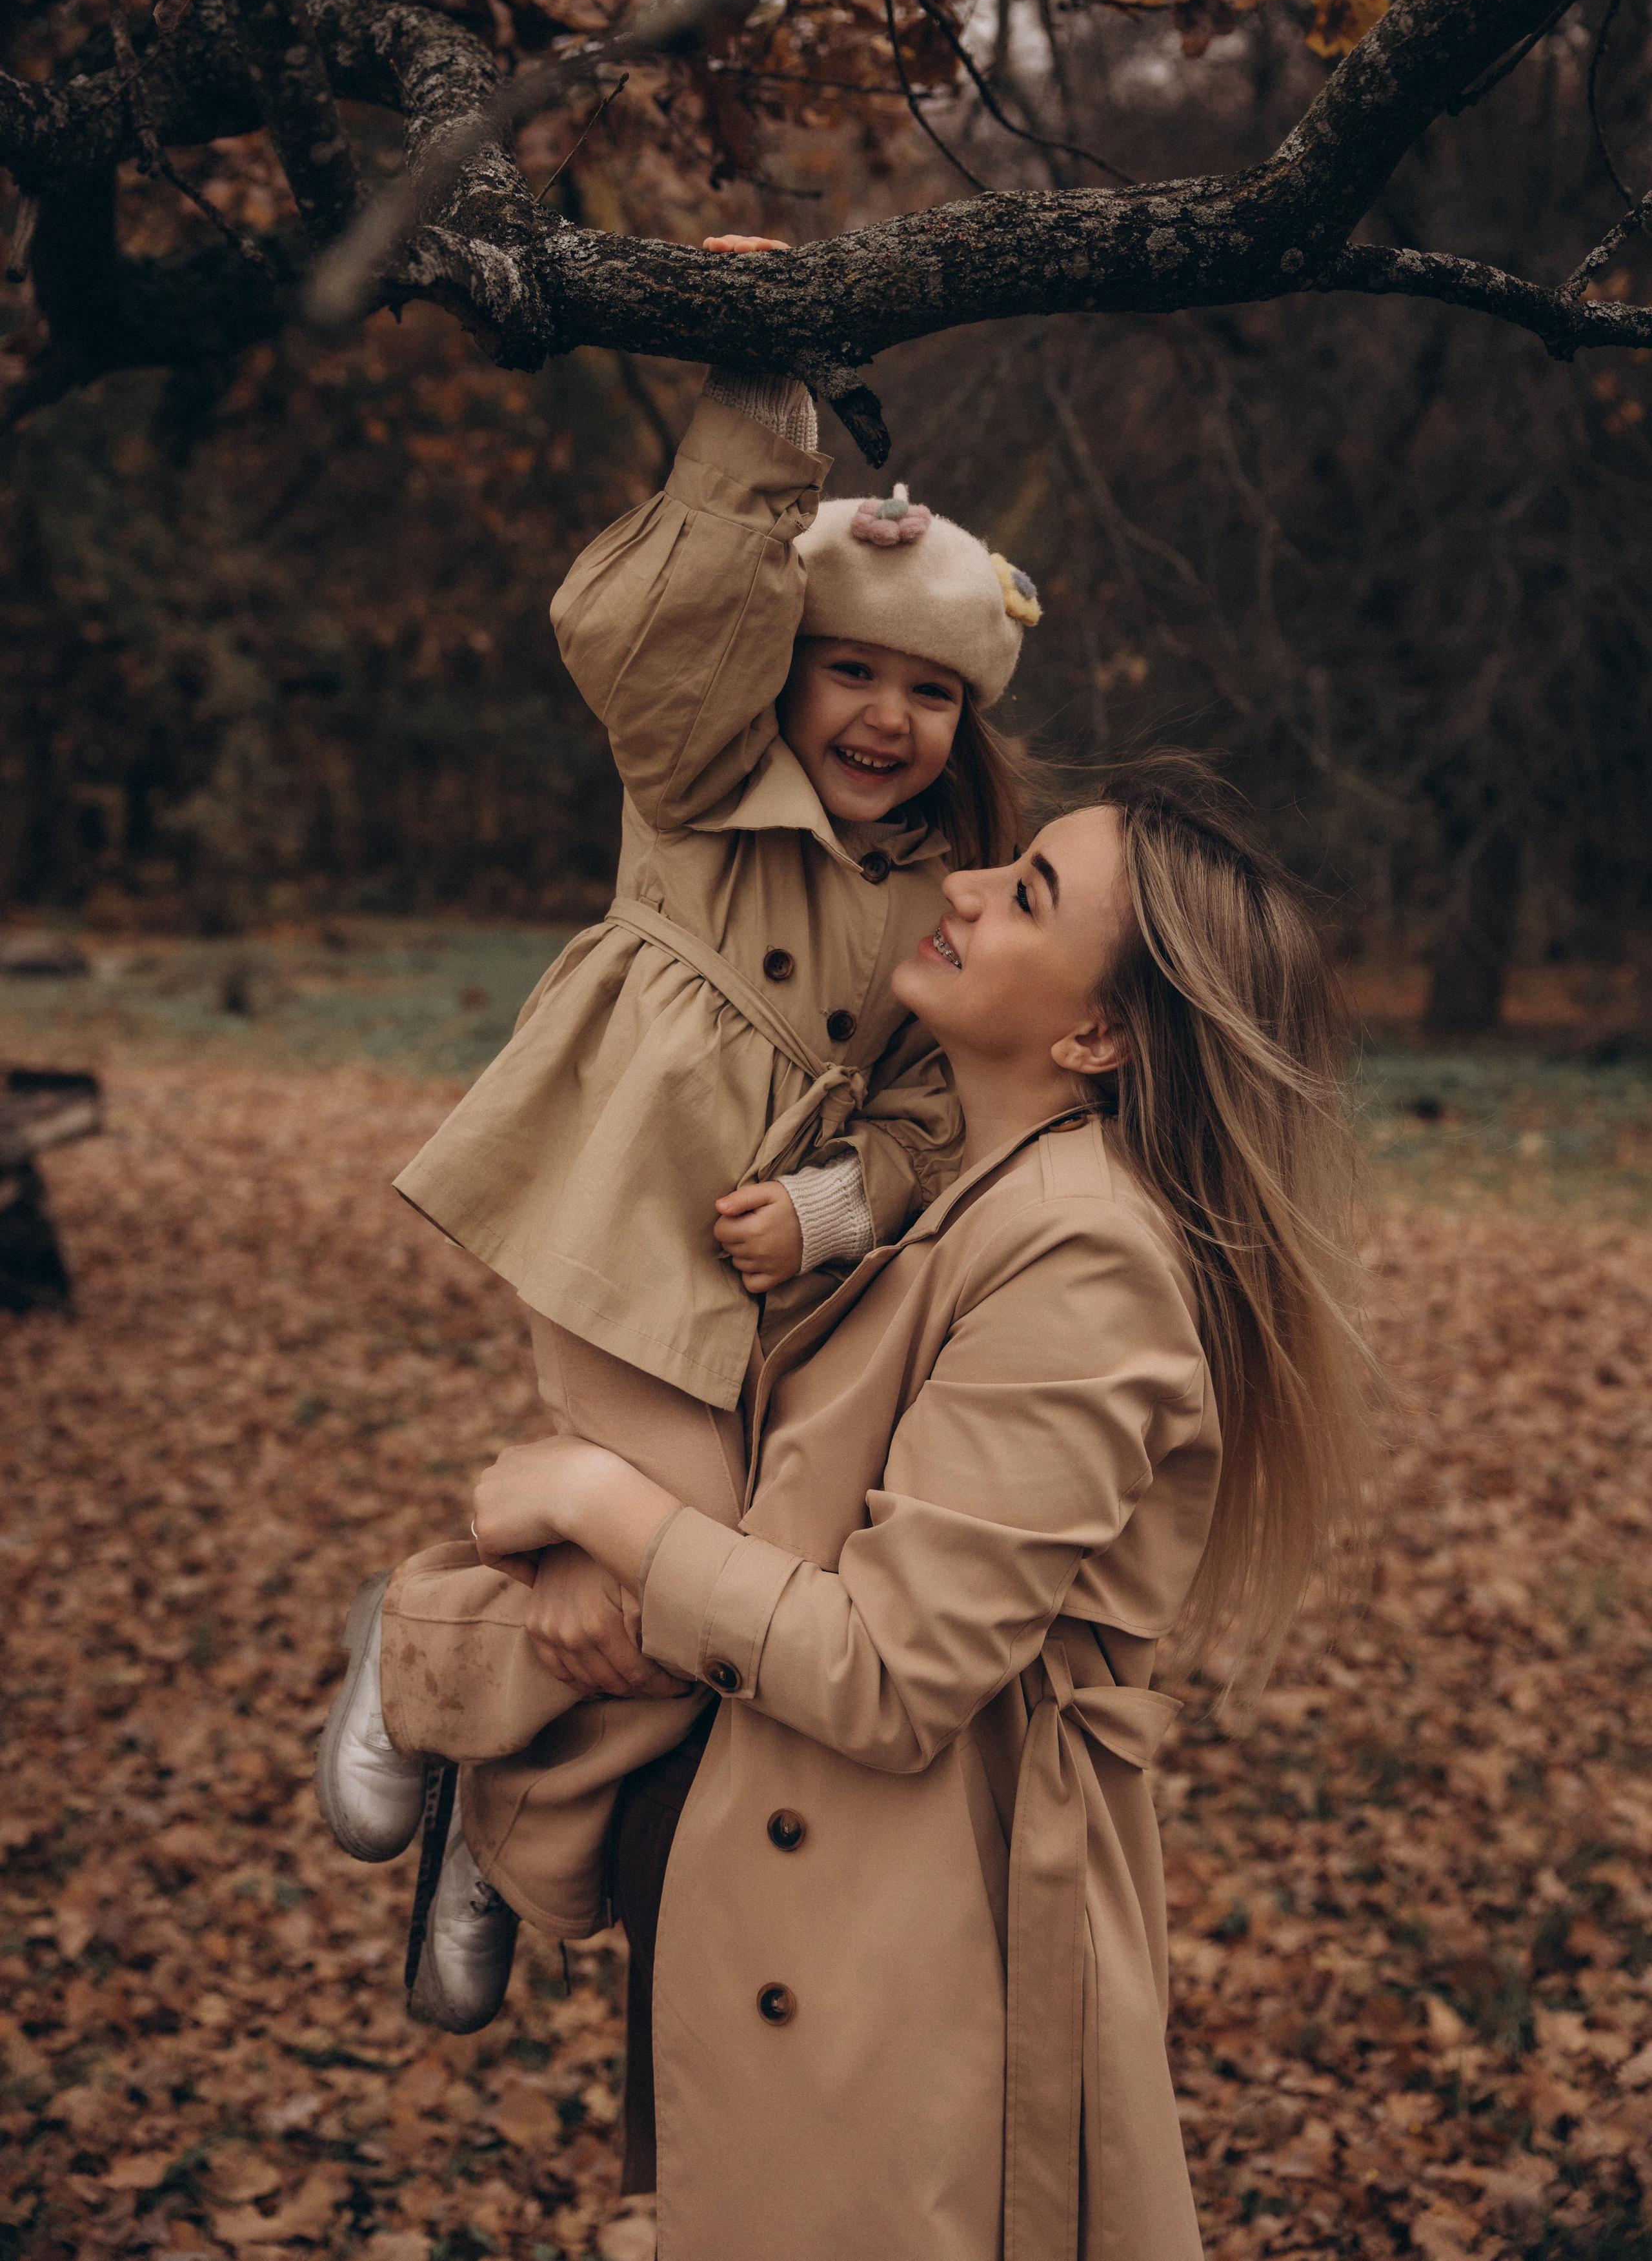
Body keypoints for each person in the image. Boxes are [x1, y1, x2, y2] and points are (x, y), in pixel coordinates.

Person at [470, 758, 1371, 2258]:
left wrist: (599, 1502)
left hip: (919, 1952)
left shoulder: (1086, 1253)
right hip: (801, 1907)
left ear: (1093, 1030)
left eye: (1026, 894)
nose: (960, 885)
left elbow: (891, 1670)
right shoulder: (967, 1190)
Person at [314, 244, 1042, 2032]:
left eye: (928, 690)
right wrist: (755, 386)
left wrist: (836, 1200)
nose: (885, 716)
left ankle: (499, 1798)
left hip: (767, 1289)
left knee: (735, 1594)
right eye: (848, 670)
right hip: (619, 1215)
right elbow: (657, 626)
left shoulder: (936, 899)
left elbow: (931, 1117)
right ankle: (430, 1658)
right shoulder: (702, 786)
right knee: (704, 1570)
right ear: (781, 675)